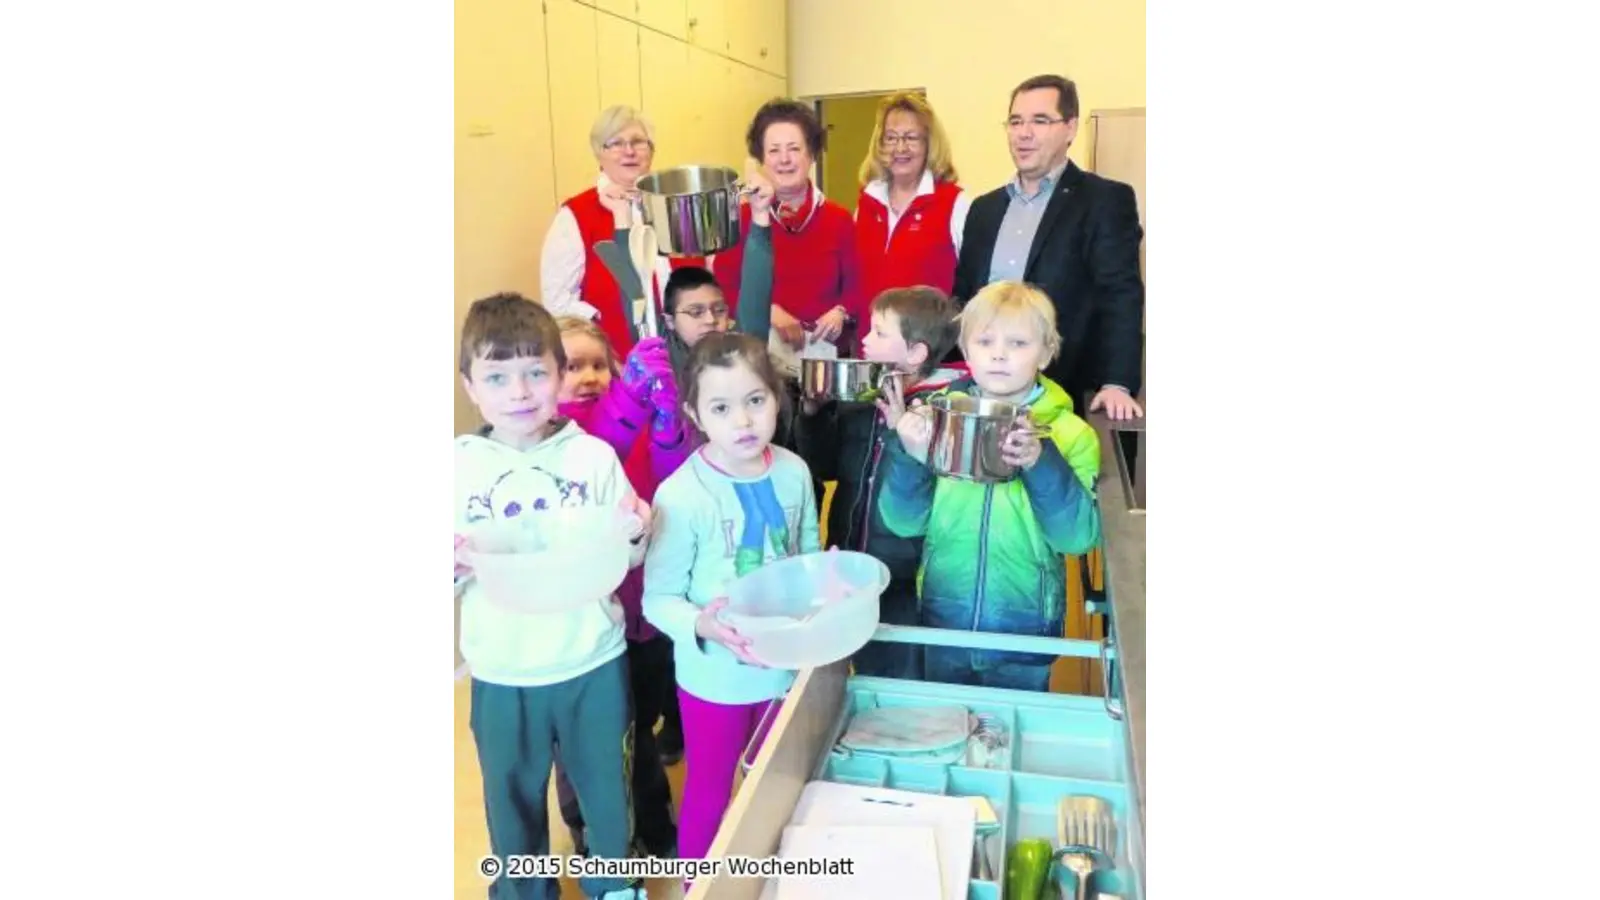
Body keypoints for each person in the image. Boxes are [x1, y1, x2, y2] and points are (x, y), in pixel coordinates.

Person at [454, 293, 650, 900]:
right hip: (502, 666)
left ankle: (613, 884)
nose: (519, 391)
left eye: (536, 372)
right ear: (470, 387)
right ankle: (520, 891)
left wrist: (637, 531)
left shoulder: (592, 458)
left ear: (560, 376)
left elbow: (626, 555)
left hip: (590, 657)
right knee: (509, 797)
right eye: (497, 376)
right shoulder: (453, 467)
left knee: (606, 793)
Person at [643, 332, 821, 886]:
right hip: (714, 679)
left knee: (780, 785)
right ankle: (700, 885)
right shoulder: (681, 495)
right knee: (711, 787)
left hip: (787, 674)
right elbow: (657, 600)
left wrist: (826, 581)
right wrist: (702, 624)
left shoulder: (793, 471)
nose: (742, 421)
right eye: (721, 408)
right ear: (696, 413)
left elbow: (808, 552)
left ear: (776, 397)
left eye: (755, 400)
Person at [875, 281, 1101, 692]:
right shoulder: (935, 417)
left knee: (1011, 737)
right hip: (944, 620)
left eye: (1018, 342)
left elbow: (1076, 538)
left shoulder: (1072, 435)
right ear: (966, 348)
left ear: (1047, 353)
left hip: (1025, 627)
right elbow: (903, 522)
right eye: (985, 340)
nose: (998, 353)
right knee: (947, 728)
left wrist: (1041, 461)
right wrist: (909, 453)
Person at [546, 315, 676, 860]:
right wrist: (628, 400)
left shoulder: (632, 418)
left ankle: (654, 824)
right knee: (579, 747)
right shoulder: (556, 442)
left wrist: (667, 419)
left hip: (637, 613)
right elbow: (595, 452)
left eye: (600, 365)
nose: (589, 377)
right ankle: (591, 835)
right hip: (582, 628)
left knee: (636, 733)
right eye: (573, 366)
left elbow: (664, 487)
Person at [793, 286, 965, 680]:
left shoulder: (940, 412)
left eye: (880, 333)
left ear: (916, 354)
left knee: (900, 669)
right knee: (859, 663)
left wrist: (899, 432)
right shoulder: (861, 398)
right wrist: (813, 414)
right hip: (851, 563)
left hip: (906, 576)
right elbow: (827, 467)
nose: (864, 340)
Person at [952, 74, 1145, 422]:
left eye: (1040, 121)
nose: (1024, 133)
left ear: (1070, 128)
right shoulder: (984, 210)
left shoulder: (1104, 201)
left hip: (1067, 398)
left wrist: (1117, 382)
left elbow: (1120, 295)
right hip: (987, 399)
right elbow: (964, 298)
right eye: (1015, 121)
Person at [542, 105, 705, 357]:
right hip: (614, 363)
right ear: (599, 153)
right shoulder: (576, 215)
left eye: (638, 142)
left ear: (652, 151)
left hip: (685, 357)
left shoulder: (674, 205)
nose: (629, 151)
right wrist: (601, 324)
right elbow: (557, 302)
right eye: (615, 143)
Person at [854, 92, 971, 299]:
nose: (900, 148)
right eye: (891, 138)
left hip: (930, 331)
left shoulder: (955, 203)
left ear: (929, 144)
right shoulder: (866, 203)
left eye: (911, 137)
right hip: (870, 331)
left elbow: (972, 283)